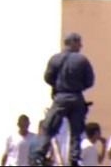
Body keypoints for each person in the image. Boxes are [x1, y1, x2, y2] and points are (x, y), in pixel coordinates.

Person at [30, 32, 95, 167]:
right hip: (76, 97)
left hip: (60, 97)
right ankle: (74, 158)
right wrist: (78, 86)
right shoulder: (82, 60)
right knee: (76, 131)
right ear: (72, 42)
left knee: (49, 127)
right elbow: (90, 81)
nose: (80, 46)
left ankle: (40, 154)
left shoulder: (55, 59)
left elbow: (48, 77)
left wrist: (59, 84)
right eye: (78, 42)